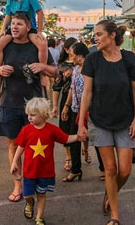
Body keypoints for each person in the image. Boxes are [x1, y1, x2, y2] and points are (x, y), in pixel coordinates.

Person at [0, 12, 57, 203]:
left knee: (34, 145)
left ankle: (33, 182)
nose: (14, 27)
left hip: (34, 105)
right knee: (14, 144)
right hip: (9, 102)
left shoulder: (37, 46)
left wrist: (42, 68)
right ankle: (17, 184)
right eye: (13, 24)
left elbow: (55, 71)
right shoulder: (5, 46)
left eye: (19, 24)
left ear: (28, 27)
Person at [77, 20, 135, 225]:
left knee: (125, 170)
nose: (95, 38)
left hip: (125, 121)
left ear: (112, 35)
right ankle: (115, 215)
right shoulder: (92, 59)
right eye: (94, 34)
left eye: (99, 34)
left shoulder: (129, 59)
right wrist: (81, 123)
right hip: (100, 120)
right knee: (110, 169)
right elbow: (87, 93)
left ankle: (110, 193)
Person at [11, 98, 78, 225]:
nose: (29, 118)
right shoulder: (26, 130)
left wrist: (78, 137)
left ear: (43, 115)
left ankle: (39, 217)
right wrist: (14, 161)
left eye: (33, 115)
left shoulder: (52, 129)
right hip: (30, 171)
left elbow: (65, 138)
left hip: (45, 171)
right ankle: (29, 204)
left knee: (41, 194)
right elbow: (20, 146)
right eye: (28, 114)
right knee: (27, 195)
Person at [0, 0, 47, 87]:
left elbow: (40, 12)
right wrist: (3, 29)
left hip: (29, 28)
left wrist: (39, 31)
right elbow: (8, 15)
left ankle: (42, 74)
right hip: (14, 29)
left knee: (42, 45)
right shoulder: (10, 0)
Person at [61, 42, 90, 182]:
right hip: (75, 109)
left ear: (79, 56)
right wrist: (66, 106)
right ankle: (76, 170)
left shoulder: (90, 70)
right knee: (74, 139)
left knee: (95, 138)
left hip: (90, 110)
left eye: (72, 54)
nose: (70, 57)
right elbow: (72, 89)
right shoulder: (76, 69)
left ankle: (104, 168)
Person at [51, 37, 77, 172]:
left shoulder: (83, 64)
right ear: (66, 49)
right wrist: (55, 106)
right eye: (73, 47)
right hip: (66, 99)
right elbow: (56, 88)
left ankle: (82, 153)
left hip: (81, 100)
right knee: (65, 129)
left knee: (79, 128)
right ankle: (68, 157)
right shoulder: (61, 66)